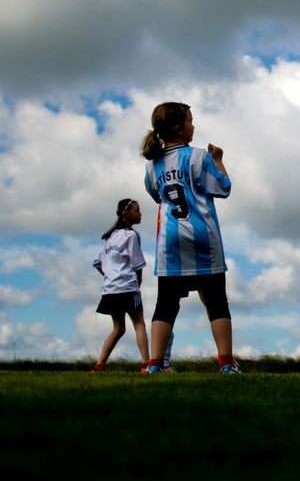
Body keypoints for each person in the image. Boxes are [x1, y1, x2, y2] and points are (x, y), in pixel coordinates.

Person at [141, 102, 239, 374]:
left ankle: (154, 365)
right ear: (178, 127)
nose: (193, 125)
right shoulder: (198, 157)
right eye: (190, 121)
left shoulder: (152, 165)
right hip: (202, 237)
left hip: (169, 241)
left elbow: (156, 195)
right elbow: (223, 188)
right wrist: (218, 160)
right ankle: (227, 364)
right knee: (217, 300)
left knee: (166, 304)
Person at [92, 198, 149, 371]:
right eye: (137, 210)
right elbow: (138, 264)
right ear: (126, 213)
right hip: (128, 288)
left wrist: (110, 276)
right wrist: (137, 283)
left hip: (110, 290)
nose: (140, 214)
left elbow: (97, 262)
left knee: (118, 328)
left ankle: (99, 365)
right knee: (139, 324)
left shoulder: (109, 238)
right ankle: (147, 365)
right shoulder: (131, 235)